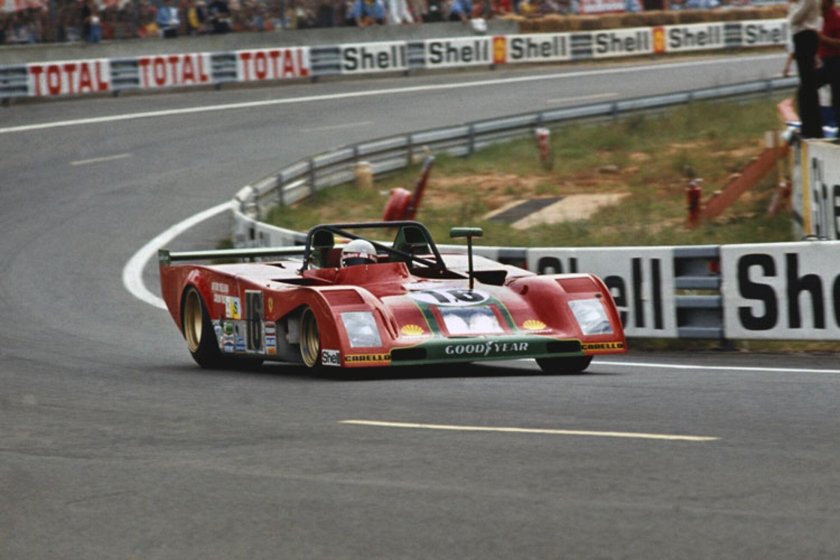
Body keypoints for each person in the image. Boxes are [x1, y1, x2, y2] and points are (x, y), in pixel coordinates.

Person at [788, 0, 823, 137]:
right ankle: (811, 126)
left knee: (807, 85)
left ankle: (811, 128)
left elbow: (794, 19)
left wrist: (792, 6)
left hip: (804, 36)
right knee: (807, 85)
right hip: (806, 36)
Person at [817, 0, 840, 127]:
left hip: (835, 61)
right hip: (824, 61)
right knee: (807, 88)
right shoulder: (820, 18)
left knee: (837, 97)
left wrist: (822, 39)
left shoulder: (836, 18)